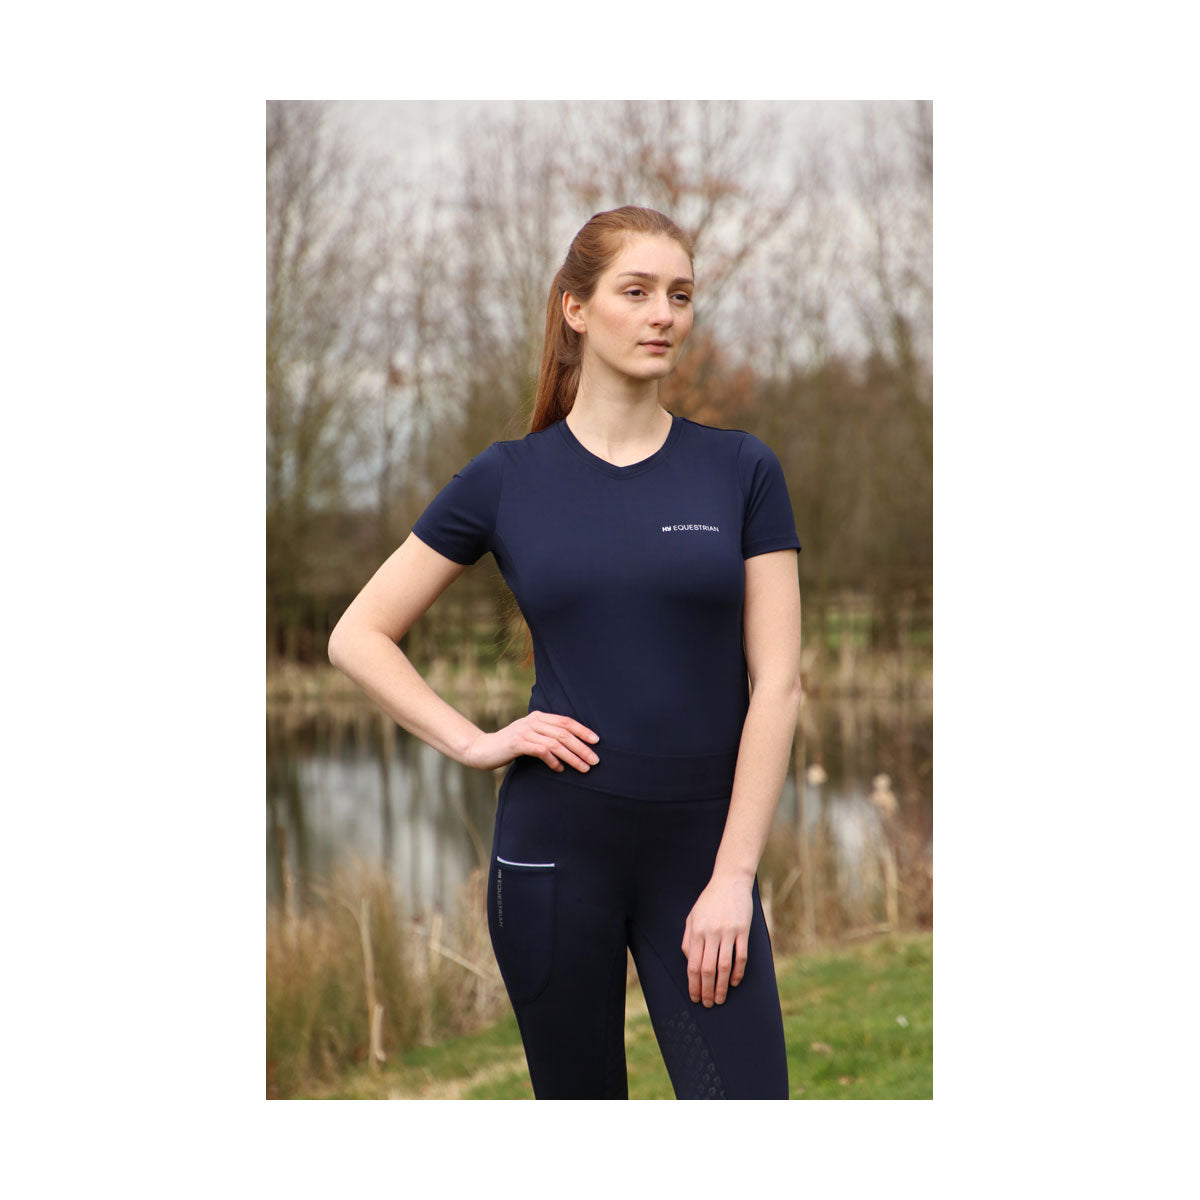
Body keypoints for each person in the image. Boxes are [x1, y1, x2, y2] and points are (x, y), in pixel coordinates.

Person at [328, 205, 803, 1099]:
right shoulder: (507, 479)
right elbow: (357, 635)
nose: (664, 314)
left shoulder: (741, 470)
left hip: (703, 860)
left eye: (681, 295)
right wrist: (475, 742)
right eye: (638, 291)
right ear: (576, 309)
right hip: (554, 857)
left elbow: (777, 685)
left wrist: (734, 877)